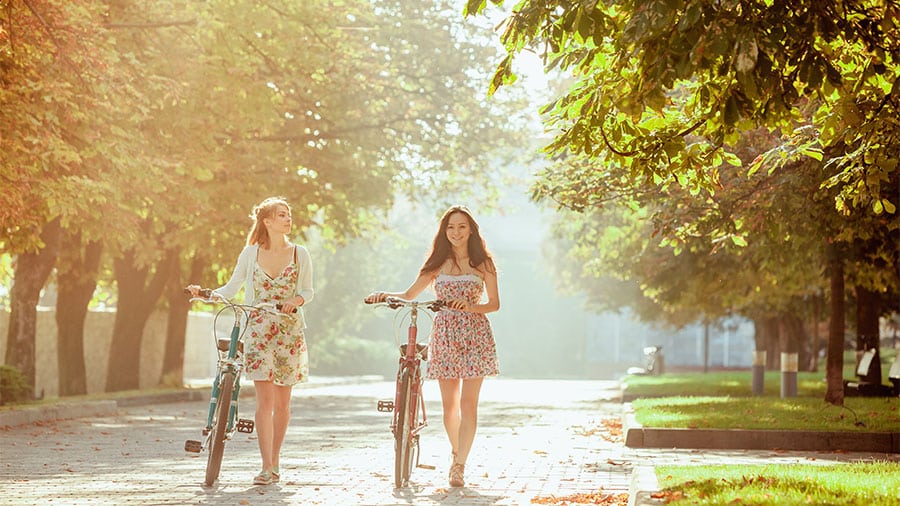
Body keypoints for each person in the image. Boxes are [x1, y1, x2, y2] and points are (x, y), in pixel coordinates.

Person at [365, 205, 500, 488]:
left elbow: (495, 304)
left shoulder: (483, 263)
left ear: (471, 229)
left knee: (468, 405)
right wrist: (383, 294)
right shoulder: (438, 262)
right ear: (444, 231)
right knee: (449, 406)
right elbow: (409, 294)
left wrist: (472, 307)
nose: (456, 232)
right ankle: (455, 453)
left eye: (462, 226)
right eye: (451, 227)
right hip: (445, 334)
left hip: (476, 335)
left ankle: (459, 466)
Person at [187, 196, 314, 486]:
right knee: (264, 401)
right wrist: (205, 293)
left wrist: (296, 299)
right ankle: (266, 466)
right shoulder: (250, 254)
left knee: (283, 403)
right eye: (281, 215)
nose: (287, 219)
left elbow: (309, 290)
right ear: (267, 221)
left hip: (288, 331)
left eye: (288, 214)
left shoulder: (300, 254)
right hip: (258, 329)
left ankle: (276, 458)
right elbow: (232, 289)